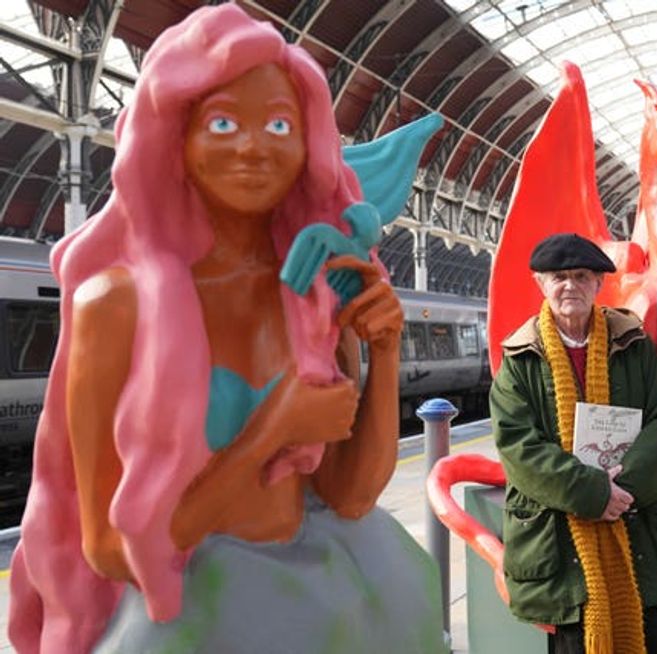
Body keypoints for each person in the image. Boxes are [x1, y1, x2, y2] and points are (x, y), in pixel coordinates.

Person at [8, 6, 444, 653]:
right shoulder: (116, 305)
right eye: (222, 123)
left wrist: (385, 351)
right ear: (174, 136)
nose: (253, 146)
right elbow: (109, 547)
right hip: (197, 615)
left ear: (307, 144)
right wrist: (272, 430)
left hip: (330, 589)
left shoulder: (316, 289)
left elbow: (350, 495)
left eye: (279, 124)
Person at [490, 233, 657, 654]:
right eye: (558, 277)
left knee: (655, 638)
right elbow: (519, 447)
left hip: (640, 531)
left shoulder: (635, 346)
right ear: (541, 284)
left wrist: (622, 490)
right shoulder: (519, 360)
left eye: (581, 276)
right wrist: (594, 493)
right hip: (561, 546)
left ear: (598, 284)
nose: (570, 286)